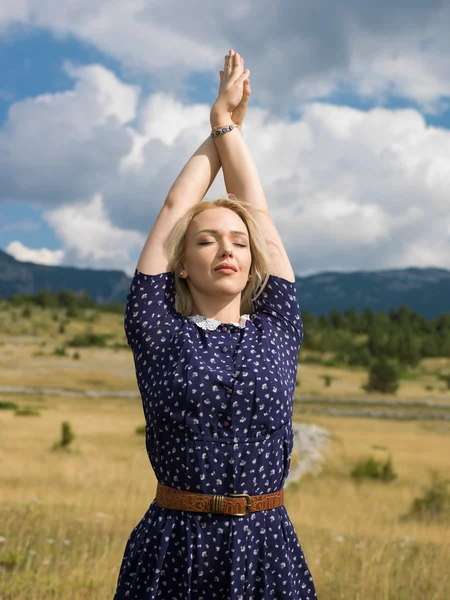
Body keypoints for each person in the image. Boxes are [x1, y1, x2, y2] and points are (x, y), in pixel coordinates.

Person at [113, 49, 318, 599]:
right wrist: (220, 127)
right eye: (206, 240)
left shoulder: (278, 325)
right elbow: (175, 204)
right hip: (172, 547)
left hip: (266, 547)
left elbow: (261, 212)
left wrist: (229, 128)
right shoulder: (157, 330)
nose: (226, 248)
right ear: (182, 262)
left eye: (238, 242)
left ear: (253, 259)